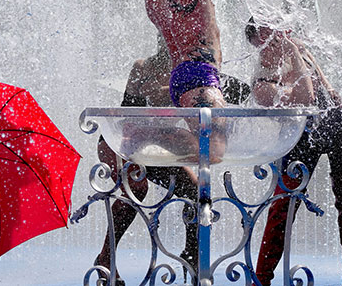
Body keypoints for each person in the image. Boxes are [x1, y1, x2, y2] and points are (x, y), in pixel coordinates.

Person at [95, 35, 251, 285]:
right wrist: (185, 88)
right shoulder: (144, 67)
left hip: (156, 143)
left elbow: (243, 90)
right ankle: (105, 258)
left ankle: (191, 254)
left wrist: (212, 86)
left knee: (194, 189)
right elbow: (151, 99)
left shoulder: (194, 75)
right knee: (137, 188)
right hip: (121, 141)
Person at [245, 18, 342, 286]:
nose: (275, 43)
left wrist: (328, 84)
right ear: (257, 47)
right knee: (283, 204)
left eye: (277, 36)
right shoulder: (262, 83)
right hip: (302, 136)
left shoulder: (298, 49)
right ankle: (261, 278)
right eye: (267, 42)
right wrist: (291, 51)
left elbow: (324, 87)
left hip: (339, 124)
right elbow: (306, 97)